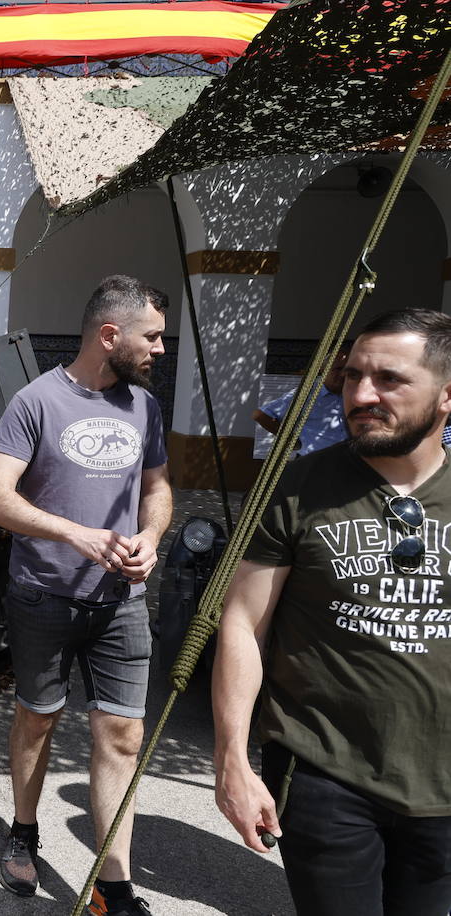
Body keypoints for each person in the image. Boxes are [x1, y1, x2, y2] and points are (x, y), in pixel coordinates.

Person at [213, 309, 451, 915]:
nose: (361, 395)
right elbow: (242, 622)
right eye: (351, 377)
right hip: (324, 774)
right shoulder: (294, 490)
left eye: (389, 379)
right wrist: (232, 760)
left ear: (446, 394)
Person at [0, 275, 173, 916]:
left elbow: (157, 488)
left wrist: (150, 534)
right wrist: (76, 533)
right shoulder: (36, 402)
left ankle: (113, 889)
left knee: (121, 734)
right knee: (38, 718)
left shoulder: (145, 407)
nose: (160, 350)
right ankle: (24, 832)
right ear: (108, 335)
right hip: (44, 595)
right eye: (152, 337)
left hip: (121, 600)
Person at [251, 341, 352, 456]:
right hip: (315, 460)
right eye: (337, 369)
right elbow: (260, 415)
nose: (343, 374)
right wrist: (291, 441)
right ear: (323, 370)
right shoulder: (307, 393)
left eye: (347, 370)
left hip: (348, 460)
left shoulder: (354, 392)